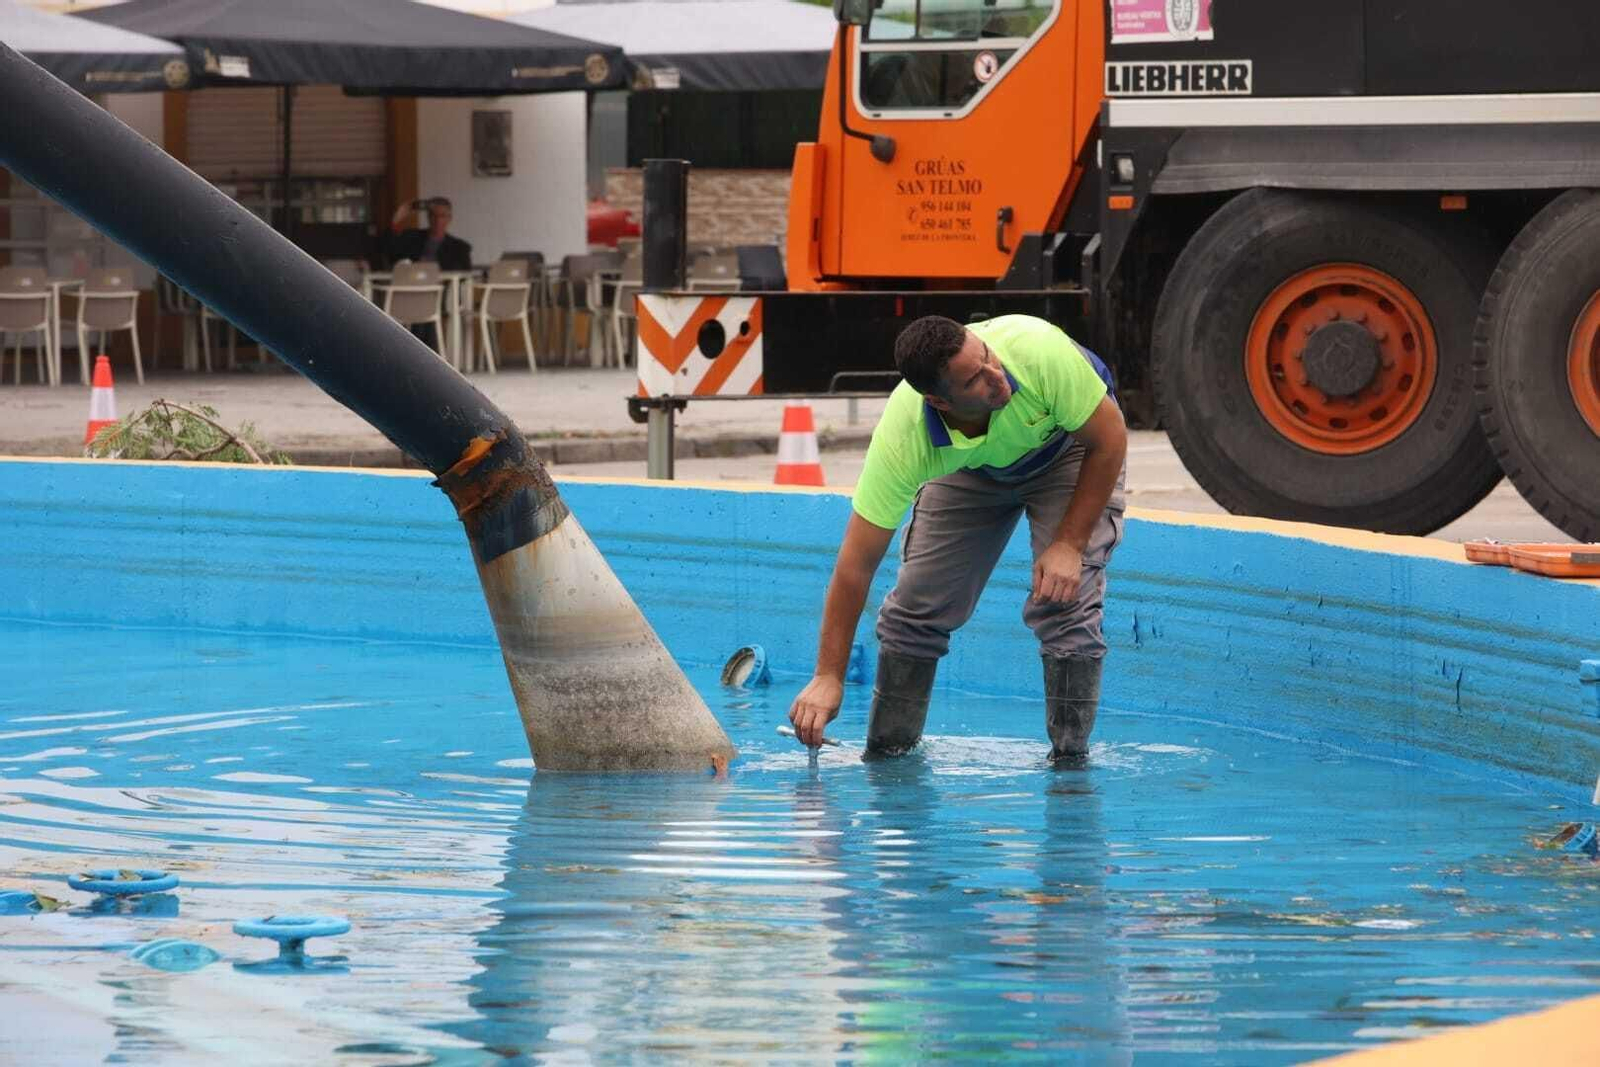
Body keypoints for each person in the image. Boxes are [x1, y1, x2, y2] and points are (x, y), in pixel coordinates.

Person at [787, 314, 1127, 763]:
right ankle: (889, 761)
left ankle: (1069, 770)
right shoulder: (905, 438)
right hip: (972, 469)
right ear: (939, 402)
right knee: (915, 610)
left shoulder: (1038, 351)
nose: (997, 377)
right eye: (975, 380)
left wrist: (1068, 544)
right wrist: (827, 675)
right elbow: (856, 564)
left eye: (987, 357)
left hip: (1071, 450)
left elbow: (1110, 438)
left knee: (1065, 600)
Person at [386, 196, 472, 272]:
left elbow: (464, 277)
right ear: (428, 217)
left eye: (442, 216)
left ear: (449, 218)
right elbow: (390, 252)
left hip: (441, 288)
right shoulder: (411, 237)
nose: (437, 220)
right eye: (433, 215)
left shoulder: (460, 247)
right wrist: (396, 219)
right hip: (412, 286)